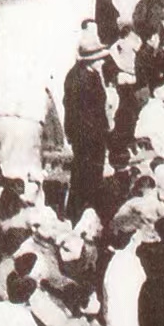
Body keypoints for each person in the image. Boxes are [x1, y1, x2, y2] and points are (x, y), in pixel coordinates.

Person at [63, 28, 111, 226]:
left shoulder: (91, 75)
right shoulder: (79, 79)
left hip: (93, 137)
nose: (103, 61)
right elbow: (77, 113)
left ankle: (85, 215)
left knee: (89, 178)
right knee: (85, 179)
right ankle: (79, 217)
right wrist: (96, 134)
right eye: (99, 58)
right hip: (87, 139)